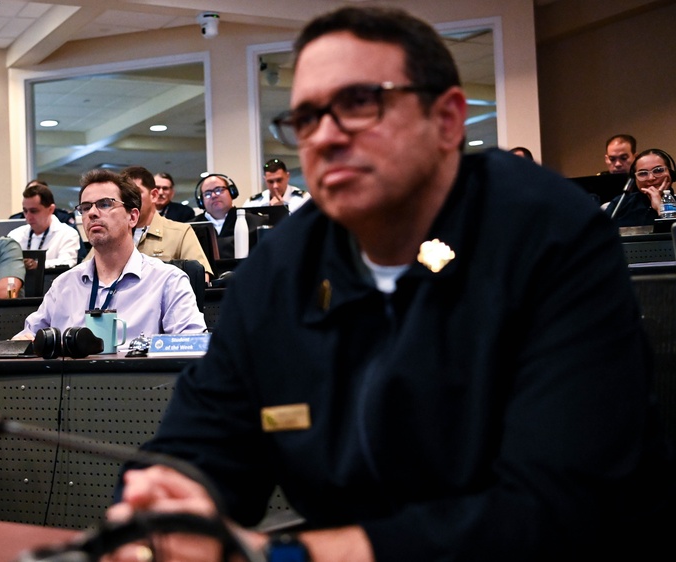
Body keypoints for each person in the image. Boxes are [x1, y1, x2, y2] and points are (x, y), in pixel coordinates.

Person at [111, 6, 673, 561]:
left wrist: (300, 556)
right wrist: (164, 497)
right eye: (306, 118)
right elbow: (204, 437)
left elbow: (564, 507)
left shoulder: (548, 234)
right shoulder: (280, 270)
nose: (325, 137)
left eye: (359, 103)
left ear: (448, 119)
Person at [17, 169, 205, 341]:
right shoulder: (63, 286)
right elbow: (25, 339)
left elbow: (192, 347)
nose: (92, 213)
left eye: (105, 204)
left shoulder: (167, 281)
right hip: (73, 378)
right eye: (85, 207)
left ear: (132, 217)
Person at [88, 167, 212, 278]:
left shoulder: (180, 233)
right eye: (125, 196)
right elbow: (84, 275)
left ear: (153, 195)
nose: (129, 200)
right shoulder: (110, 235)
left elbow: (201, 279)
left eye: (136, 193)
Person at [8, 182, 80, 269]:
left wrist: (37, 265)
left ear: (51, 209)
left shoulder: (67, 234)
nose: (28, 216)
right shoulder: (15, 235)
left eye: (34, 211)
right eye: (25, 211)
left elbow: (68, 262)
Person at [196, 173, 264, 259]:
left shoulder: (256, 223)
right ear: (201, 201)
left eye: (219, 190)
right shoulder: (191, 228)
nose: (213, 196)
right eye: (207, 193)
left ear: (232, 192)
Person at [603, 148, 675, 227]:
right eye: (643, 173)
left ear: (671, 173)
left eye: (658, 170)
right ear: (634, 178)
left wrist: (660, 208)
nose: (651, 178)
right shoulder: (620, 204)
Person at [245, 158, 310, 213]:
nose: (275, 186)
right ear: (265, 180)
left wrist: (281, 211)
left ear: (287, 176)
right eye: (270, 181)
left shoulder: (303, 200)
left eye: (279, 180)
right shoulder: (254, 202)